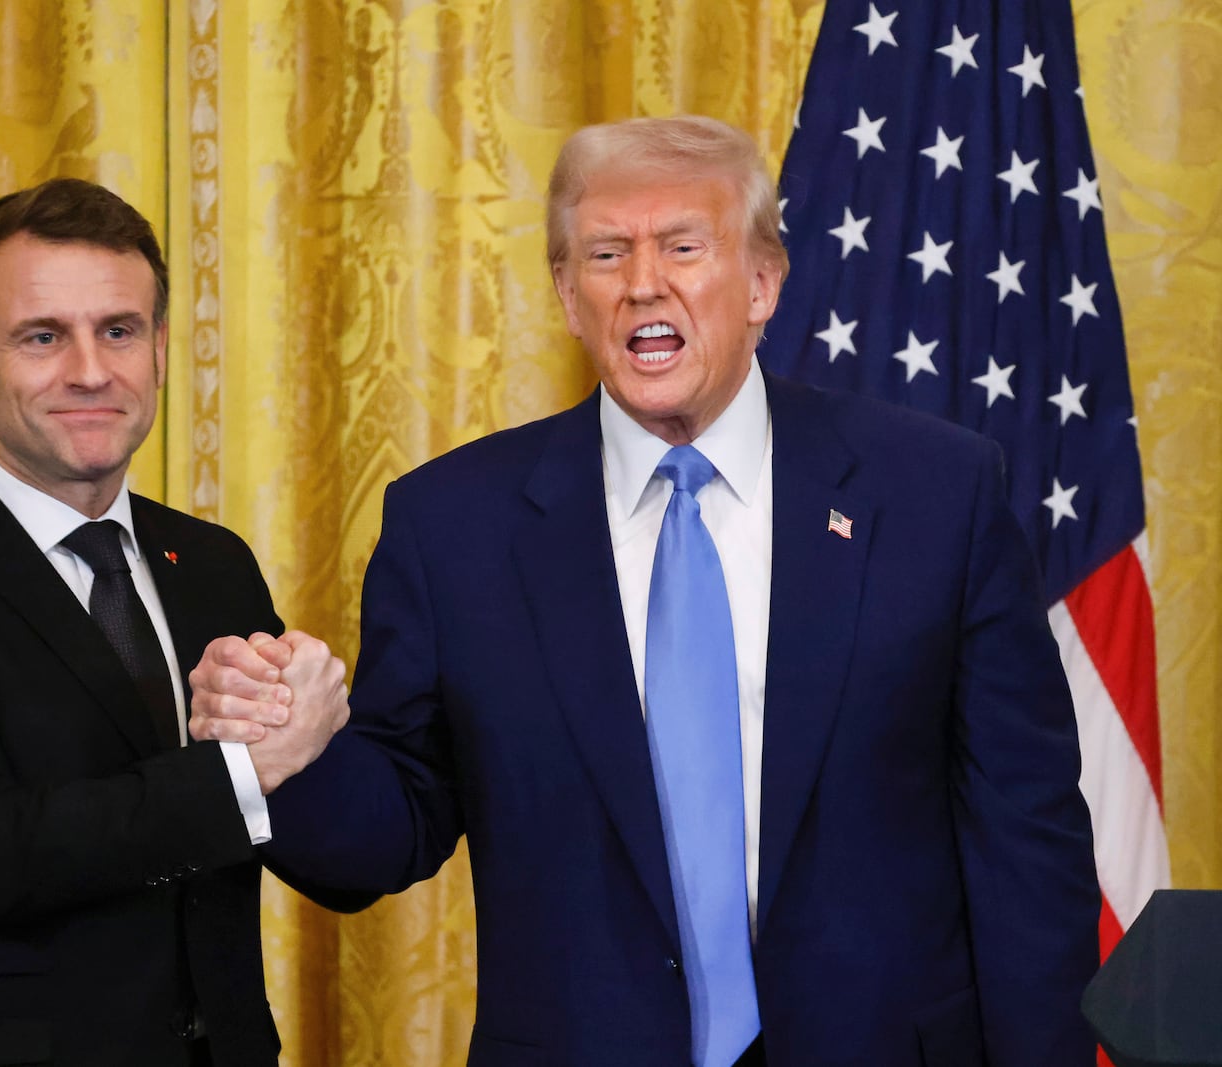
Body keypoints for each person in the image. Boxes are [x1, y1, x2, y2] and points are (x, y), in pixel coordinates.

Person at [190, 116, 1101, 1066]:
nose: (642, 283)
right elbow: (388, 832)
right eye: (607, 253)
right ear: (567, 294)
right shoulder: (454, 525)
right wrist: (286, 753)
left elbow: (1025, 837)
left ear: (762, 283)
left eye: (682, 246)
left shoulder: (936, 495)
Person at [0, 178, 346, 1066]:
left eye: (119, 331)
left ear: (160, 350)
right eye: (43, 336)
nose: (90, 370)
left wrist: (323, 726)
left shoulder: (211, 562)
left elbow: (308, 835)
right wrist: (253, 764)